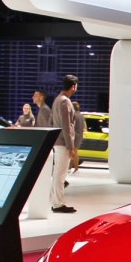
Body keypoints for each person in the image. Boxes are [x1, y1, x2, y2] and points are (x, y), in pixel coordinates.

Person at [49, 75, 78, 214]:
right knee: (60, 174)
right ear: (73, 86)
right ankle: (58, 203)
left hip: (57, 141)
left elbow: (51, 121)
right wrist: (71, 146)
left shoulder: (57, 100)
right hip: (63, 143)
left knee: (58, 174)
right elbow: (67, 126)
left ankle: (56, 201)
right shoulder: (65, 101)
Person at [69, 100, 85, 174]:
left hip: (75, 135)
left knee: (74, 152)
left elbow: (72, 126)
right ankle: (70, 168)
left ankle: (76, 169)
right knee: (74, 152)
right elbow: (84, 127)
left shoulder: (74, 115)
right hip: (80, 135)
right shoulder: (81, 115)